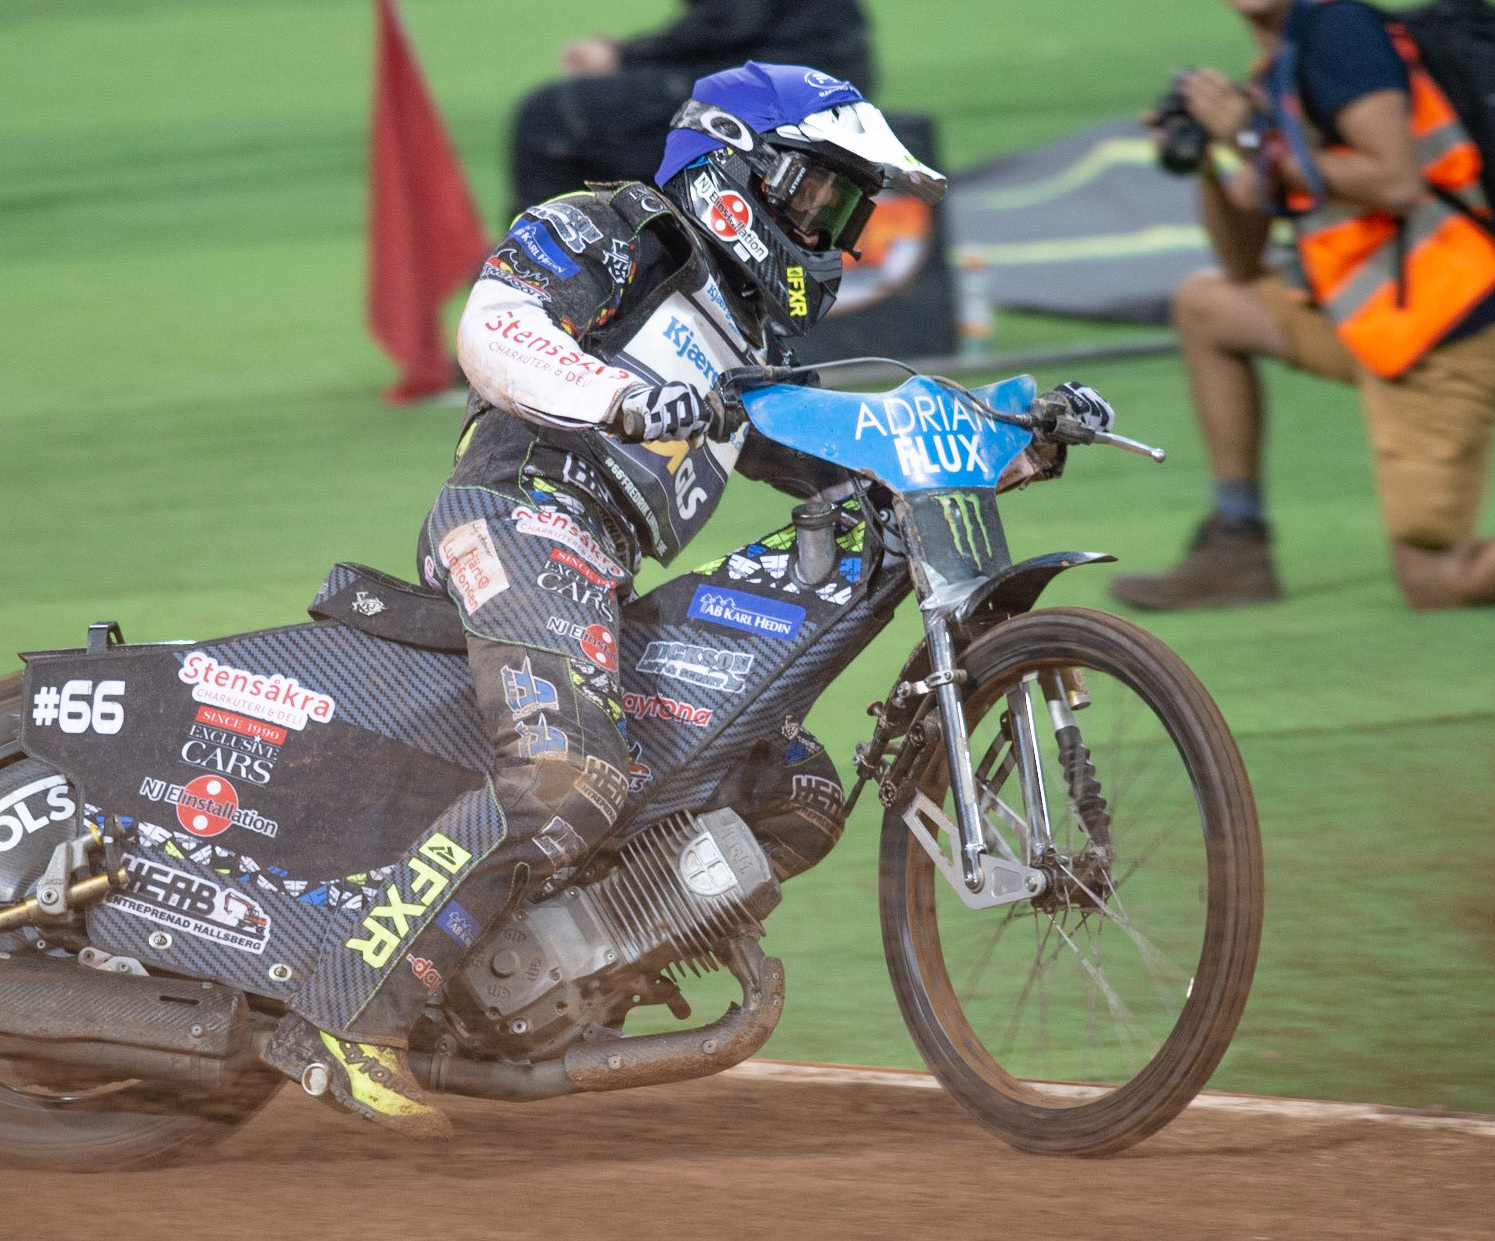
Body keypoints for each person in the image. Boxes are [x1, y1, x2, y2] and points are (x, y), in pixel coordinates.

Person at [261, 62, 949, 1138]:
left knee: (795, 791)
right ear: (738, 170)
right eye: (819, 195)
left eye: (848, 209)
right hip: (518, 514)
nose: (837, 233)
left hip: (599, 567)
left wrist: (1003, 436)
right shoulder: (616, 228)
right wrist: (619, 395)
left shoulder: (753, 344)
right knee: (569, 775)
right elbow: (491, 326)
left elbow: (846, 443)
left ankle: (559, 978)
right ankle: (348, 1005)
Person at [1112, 0, 1495, 611]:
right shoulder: (1279, 73)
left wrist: (1247, 136)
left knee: (1434, 579)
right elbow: (1241, 264)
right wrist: (1212, 159)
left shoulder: (1340, 34)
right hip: (1375, 317)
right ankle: (1237, 545)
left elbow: (1395, 180)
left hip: (1447, 324)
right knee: (1209, 307)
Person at [509, 0, 876, 212]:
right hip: (815, 80)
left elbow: (728, 22)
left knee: (550, 116)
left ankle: (532, 278)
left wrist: (623, 56)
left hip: (779, 85)